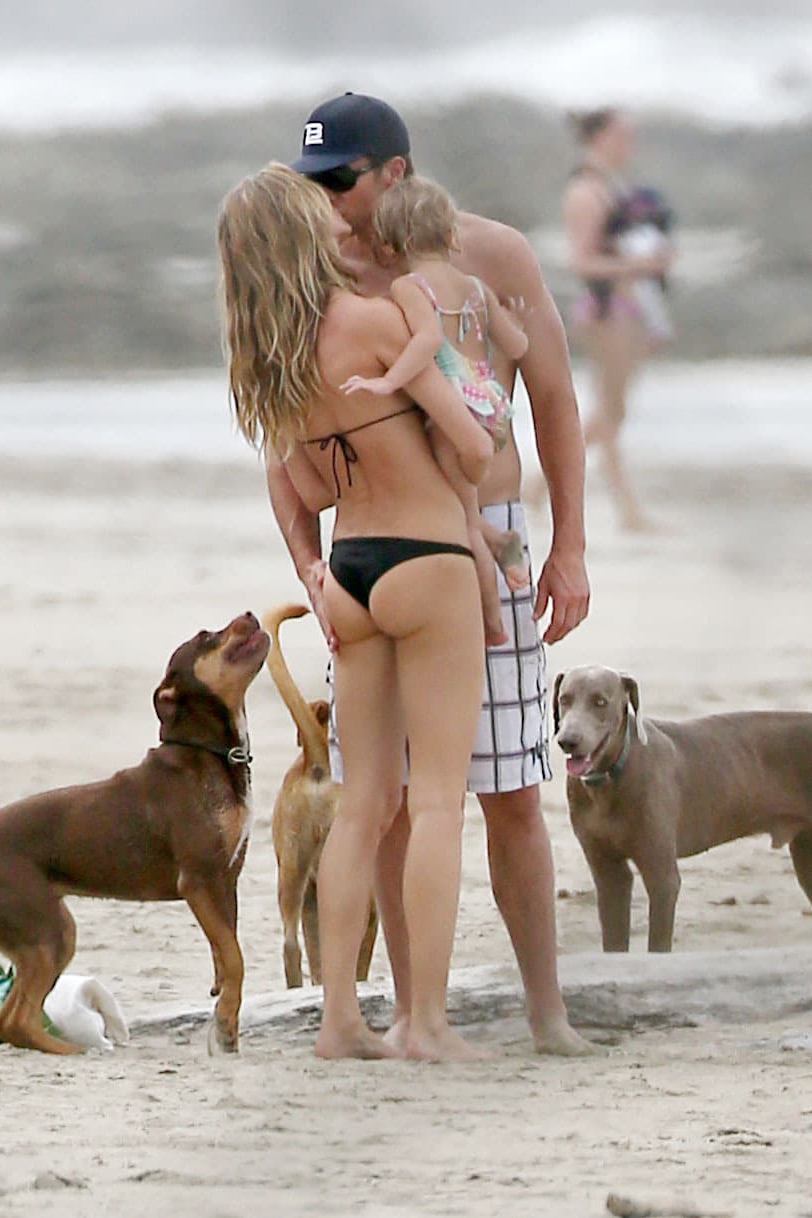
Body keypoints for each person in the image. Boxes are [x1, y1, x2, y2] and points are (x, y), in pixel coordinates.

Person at [267, 92, 594, 1056]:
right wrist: (306, 563)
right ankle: (414, 1013)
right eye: (314, 183)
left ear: (395, 173)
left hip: (490, 537)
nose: (329, 201)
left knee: (512, 791)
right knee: (387, 800)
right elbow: (278, 440)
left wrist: (569, 546)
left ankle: (545, 1013)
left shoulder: (491, 255)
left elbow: (553, 399)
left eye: (342, 180)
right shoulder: (315, 269)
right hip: (376, 547)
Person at [219, 163, 495, 1062]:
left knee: (363, 804)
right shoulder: (373, 322)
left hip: (350, 572)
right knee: (439, 801)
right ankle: (426, 1023)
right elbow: (473, 450)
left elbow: (308, 488)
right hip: (427, 559)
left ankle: (339, 1019)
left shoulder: (268, 367)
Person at [341, 174, 531, 647]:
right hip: (492, 406)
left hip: (455, 416)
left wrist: (388, 380)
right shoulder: (475, 287)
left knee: (462, 517)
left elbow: (427, 341)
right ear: (451, 235)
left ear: (388, 246)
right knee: (463, 503)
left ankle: (493, 623)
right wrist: (512, 315)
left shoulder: (410, 286)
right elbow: (517, 345)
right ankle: (500, 540)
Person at [562, 107, 675, 533]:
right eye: (622, 135)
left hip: (630, 309)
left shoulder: (613, 187)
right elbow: (581, 261)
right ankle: (627, 509)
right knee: (610, 412)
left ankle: (541, 488)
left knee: (613, 411)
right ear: (600, 137)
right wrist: (639, 265)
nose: (630, 144)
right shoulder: (586, 192)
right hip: (606, 308)